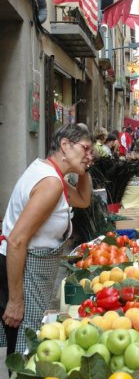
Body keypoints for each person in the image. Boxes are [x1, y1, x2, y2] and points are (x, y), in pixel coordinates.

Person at [0, 124, 94, 355]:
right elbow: (16, 241)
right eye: (86, 149)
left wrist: (84, 168)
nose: (90, 155)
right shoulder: (50, 182)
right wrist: (15, 301)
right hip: (23, 271)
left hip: (31, 270)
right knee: (26, 348)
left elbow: (83, 199)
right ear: (65, 145)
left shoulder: (54, 176)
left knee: (26, 344)